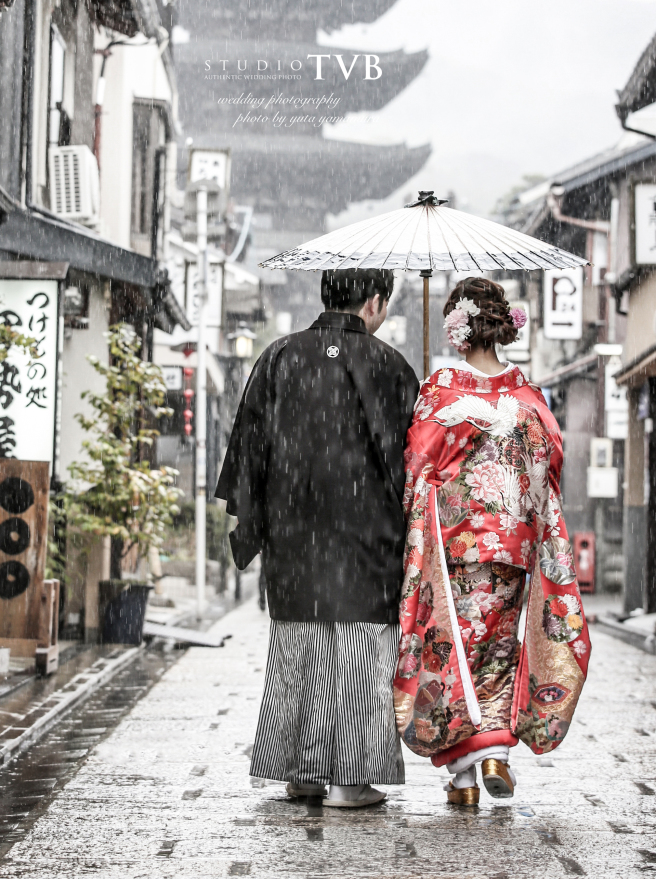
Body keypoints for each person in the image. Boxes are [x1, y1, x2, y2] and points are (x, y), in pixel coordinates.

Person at [216, 269, 418, 808]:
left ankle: (302, 772)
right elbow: (415, 462)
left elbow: (248, 451)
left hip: (294, 534)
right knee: (359, 654)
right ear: (375, 302)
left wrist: (259, 520)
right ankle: (351, 782)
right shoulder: (392, 366)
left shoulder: (279, 357)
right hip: (368, 536)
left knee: (299, 649)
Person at [394, 277, 591, 806]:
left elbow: (417, 463)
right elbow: (552, 461)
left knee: (451, 651)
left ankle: (465, 775)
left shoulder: (442, 391)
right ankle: (491, 758)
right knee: (499, 649)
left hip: (456, 547)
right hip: (514, 549)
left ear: (458, 329)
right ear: (501, 326)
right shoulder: (529, 396)